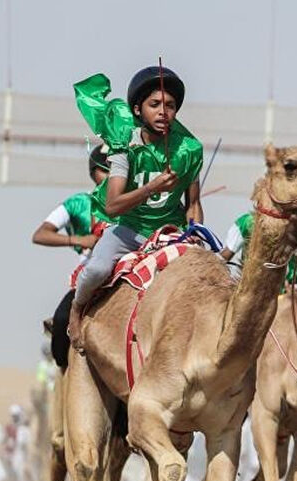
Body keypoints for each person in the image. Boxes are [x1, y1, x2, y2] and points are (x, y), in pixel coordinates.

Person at [68, 67, 204, 343]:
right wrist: (153, 187)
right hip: (128, 230)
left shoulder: (189, 150)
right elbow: (114, 205)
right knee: (96, 269)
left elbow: (193, 204)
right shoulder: (124, 148)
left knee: (212, 275)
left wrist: (196, 230)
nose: (163, 112)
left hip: (170, 234)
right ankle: (76, 309)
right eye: (154, 105)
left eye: (170, 106)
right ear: (138, 110)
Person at [34, 146, 113, 368]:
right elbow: (40, 234)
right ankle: (65, 370)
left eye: (115, 170)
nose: (109, 176)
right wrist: (78, 240)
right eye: (104, 170)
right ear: (93, 172)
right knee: (61, 321)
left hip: (129, 269)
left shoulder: (131, 202)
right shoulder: (78, 204)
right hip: (92, 275)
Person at [221, 212, 297, 299]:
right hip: (243, 292)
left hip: (281, 300)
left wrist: (294, 295)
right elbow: (222, 259)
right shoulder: (247, 223)